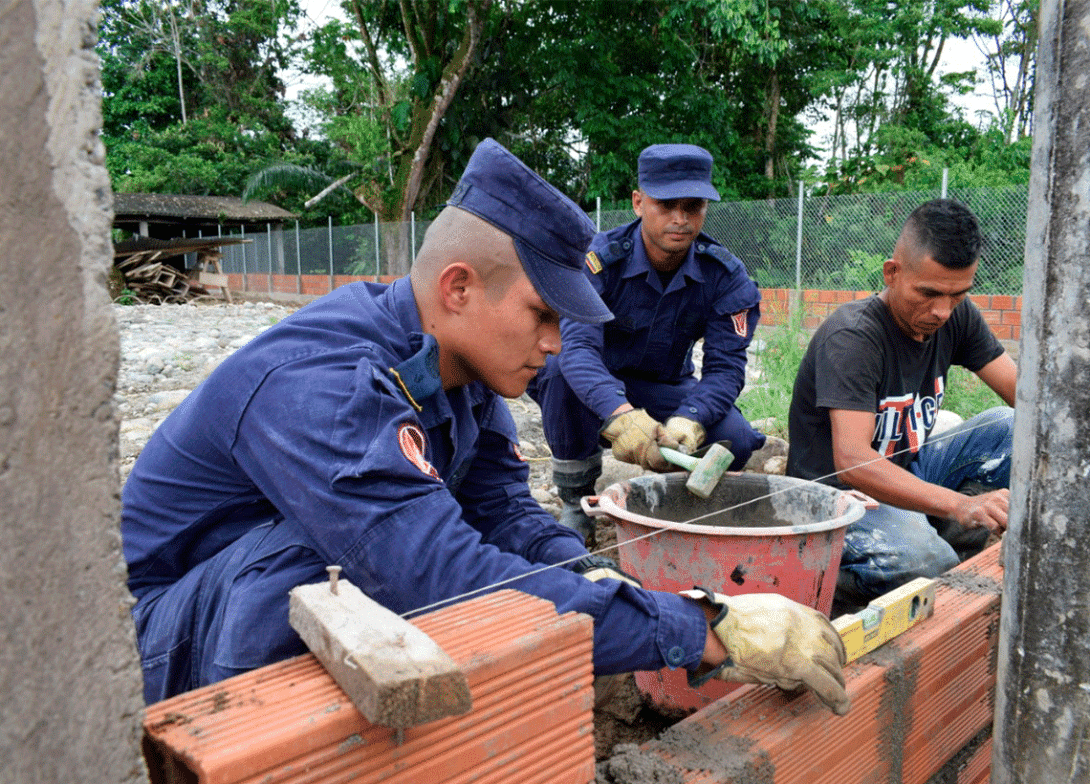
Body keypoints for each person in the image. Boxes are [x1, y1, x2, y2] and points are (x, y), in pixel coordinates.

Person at [121, 138, 851, 715]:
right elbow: (438, 576)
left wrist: (596, 577)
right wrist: (702, 628)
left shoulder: (462, 378)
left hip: (225, 606)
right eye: (543, 315)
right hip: (158, 643)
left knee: (485, 560)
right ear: (459, 287)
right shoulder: (325, 384)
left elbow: (505, 513)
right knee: (329, 567)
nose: (560, 344)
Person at [528, 143, 776, 545]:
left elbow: (726, 368)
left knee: (739, 436)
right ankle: (577, 501)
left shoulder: (725, 276)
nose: (679, 219)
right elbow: (578, 351)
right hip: (593, 385)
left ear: (705, 209)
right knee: (556, 372)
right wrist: (622, 416)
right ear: (639, 202)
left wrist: (689, 419)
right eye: (666, 205)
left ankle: (683, 503)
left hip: (665, 386)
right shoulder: (598, 261)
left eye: (692, 206)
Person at [787, 198, 1017, 609]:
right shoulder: (854, 337)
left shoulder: (955, 316)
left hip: (905, 471)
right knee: (929, 564)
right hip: (839, 498)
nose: (942, 311)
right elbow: (853, 461)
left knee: (1009, 426)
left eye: (958, 294)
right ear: (892, 273)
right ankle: (819, 579)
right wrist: (960, 505)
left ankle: (934, 533)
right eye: (927, 294)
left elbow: (1027, 397)